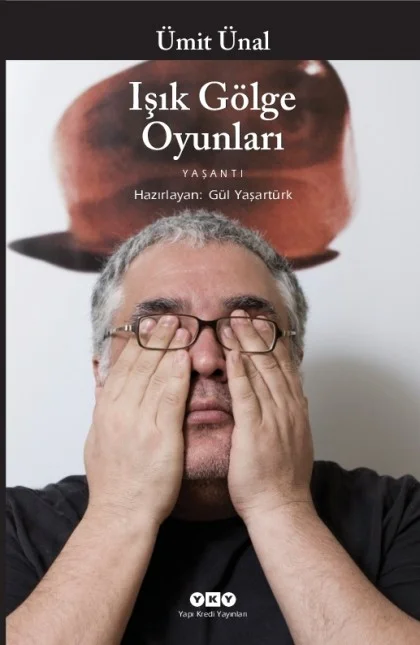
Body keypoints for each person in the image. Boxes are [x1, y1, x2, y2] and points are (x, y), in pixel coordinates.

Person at [6, 210, 420, 645]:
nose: (206, 360)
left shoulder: (397, 517)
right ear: (102, 376)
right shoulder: (17, 527)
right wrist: (121, 509)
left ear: (293, 367)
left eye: (247, 328)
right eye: (159, 331)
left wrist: (278, 504)